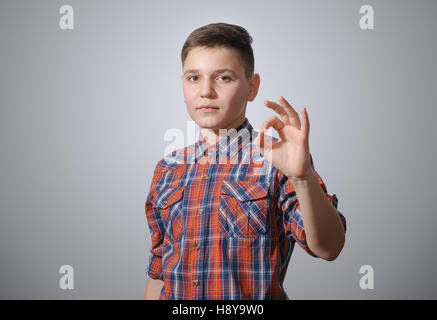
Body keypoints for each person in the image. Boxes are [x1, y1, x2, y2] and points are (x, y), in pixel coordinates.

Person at [143, 22, 346, 300]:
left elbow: (329, 247)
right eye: (193, 77)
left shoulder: (279, 161)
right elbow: (159, 272)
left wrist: (303, 177)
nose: (205, 91)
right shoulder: (168, 169)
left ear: (252, 87)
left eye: (223, 78)